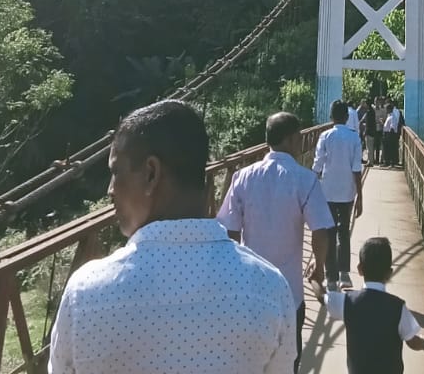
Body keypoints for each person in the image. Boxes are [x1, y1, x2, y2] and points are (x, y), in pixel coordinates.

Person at [47, 100, 296, 374]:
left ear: (151, 174)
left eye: (116, 173)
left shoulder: (85, 294)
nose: (110, 191)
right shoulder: (270, 288)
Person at [218, 112, 335, 373]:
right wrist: (318, 267)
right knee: (287, 363)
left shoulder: (242, 177)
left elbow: (230, 232)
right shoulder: (305, 179)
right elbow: (320, 231)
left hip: (248, 291)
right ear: (293, 139)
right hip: (289, 293)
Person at [312, 236, 424, 373]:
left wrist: (314, 280)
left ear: (360, 269)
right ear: (389, 273)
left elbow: (323, 297)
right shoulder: (397, 307)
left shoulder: (347, 302)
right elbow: (412, 341)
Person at [312, 99, 363, 289]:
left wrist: (310, 190)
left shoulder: (325, 136)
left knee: (330, 233)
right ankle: (344, 275)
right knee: (344, 231)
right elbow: (357, 169)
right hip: (347, 192)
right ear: (348, 116)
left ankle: (331, 277)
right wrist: (360, 197)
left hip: (327, 192)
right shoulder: (354, 137)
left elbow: (317, 165)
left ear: (331, 116)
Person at [382, 101, 401, 167]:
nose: (386, 110)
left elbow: (392, 127)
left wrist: (389, 136)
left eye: (387, 109)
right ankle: (387, 162)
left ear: (390, 109)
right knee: (386, 149)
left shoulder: (392, 117)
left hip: (390, 134)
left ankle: (391, 162)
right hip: (387, 133)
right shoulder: (389, 116)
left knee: (391, 149)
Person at [358, 99, 376, 166]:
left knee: (369, 147)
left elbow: (368, 123)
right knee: (371, 147)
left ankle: (370, 162)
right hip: (372, 131)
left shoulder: (368, 112)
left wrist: (365, 131)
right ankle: (371, 160)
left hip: (369, 131)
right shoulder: (372, 111)